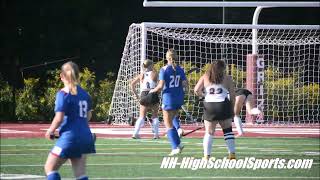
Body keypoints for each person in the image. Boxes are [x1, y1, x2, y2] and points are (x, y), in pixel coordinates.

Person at [44, 61, 95, 180]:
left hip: (70, 138)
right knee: (80, 174)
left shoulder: (63, 94)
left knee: (49, 168)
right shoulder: (85, 94)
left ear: (62, 76)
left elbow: (59, 118)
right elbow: (88, 116)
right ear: (78, 75)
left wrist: (50, 131)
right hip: (85, 137)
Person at [194, 60, 236, 160]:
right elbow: (233, 96)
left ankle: (206, 156)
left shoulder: (205, 76)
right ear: (223, 68)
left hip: (210, 106)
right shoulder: (227, 78)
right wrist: (232, 109)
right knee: (227, 130)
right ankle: (232, 155)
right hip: (223, 105)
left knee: (209, 132)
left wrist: (204, 95)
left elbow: (196, 90)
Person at [149, 48, 188, 156]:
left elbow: (160, 86)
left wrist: (152, 90)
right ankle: (178, 144)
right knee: (172, 121)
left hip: (169, 98)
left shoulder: (164, 69)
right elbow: (185, 85)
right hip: (179, 98)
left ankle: (175, 147)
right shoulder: (180, 69)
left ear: (167, 58)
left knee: (168, 124)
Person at [130, 59, 160, 139]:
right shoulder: (154, 74)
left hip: (143, 94)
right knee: (155, 116)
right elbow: (160, 85)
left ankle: (135, 134)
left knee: (141, 116)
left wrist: (136, 95)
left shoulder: (141, 75)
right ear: (150, 65)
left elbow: (132, 84)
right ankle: (156, 135)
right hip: (152, 93)